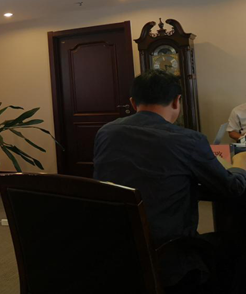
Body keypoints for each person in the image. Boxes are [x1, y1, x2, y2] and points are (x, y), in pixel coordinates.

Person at [93, 69, 246, 291]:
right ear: (177, 101)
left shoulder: (106, 132)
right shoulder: (188, 140)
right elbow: (233, 188)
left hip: (115, 249)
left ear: (133, 102)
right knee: (235, 243)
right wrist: (240, 164)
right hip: (168, 255)